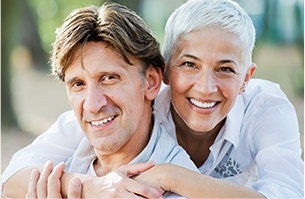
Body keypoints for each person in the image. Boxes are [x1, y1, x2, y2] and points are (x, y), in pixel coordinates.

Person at [2, 0, 304, 198]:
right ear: (166, 71)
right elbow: (13, 177)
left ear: (246, 79)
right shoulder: (125, 107)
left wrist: (171, 176)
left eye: (225, 69)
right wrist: (92, 187)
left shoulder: (265, 109)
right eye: (189, 64)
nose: (205, 87)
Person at [1, 2, 200, 199]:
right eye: (78, 84)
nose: (92, 105)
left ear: (151, 82)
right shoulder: (70, 146)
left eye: (109, 78)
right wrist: (89, 186)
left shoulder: (180, 189)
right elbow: (9, 178)